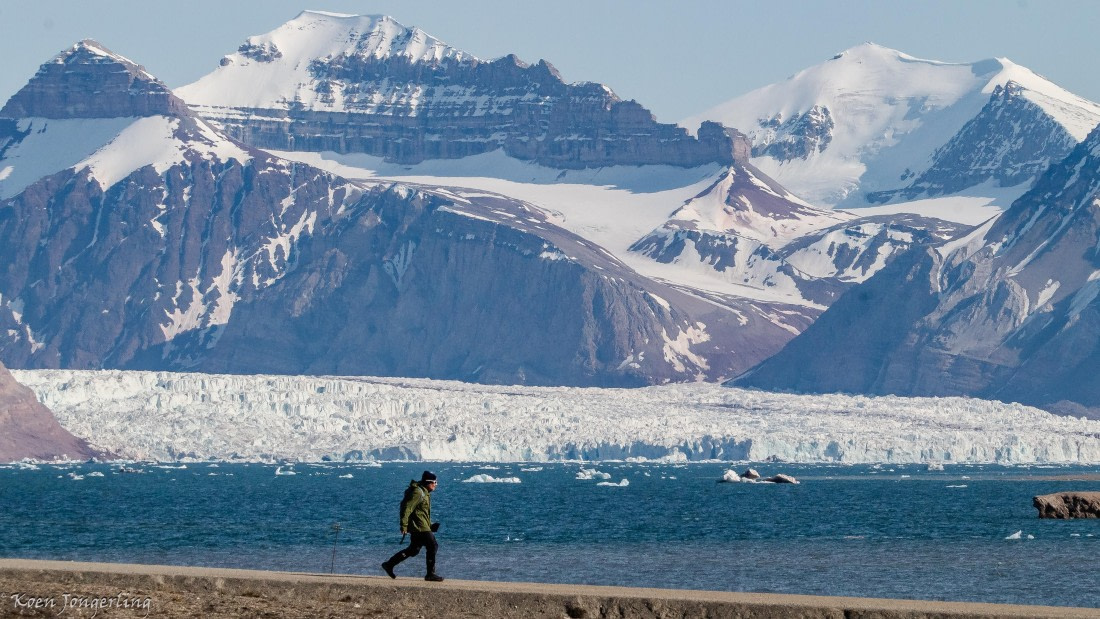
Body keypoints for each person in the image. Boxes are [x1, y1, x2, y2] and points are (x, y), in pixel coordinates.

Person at [381, 470, 444, 581]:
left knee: (413, 550)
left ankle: (389, 564)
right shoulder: (418, 493)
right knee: (433, 545)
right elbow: (407, 508)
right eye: (435, 482)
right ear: (428, 482)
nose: (436, 484)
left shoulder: (425, 493)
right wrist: (404, 525)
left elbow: (421, 512)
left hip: (422, 525)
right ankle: (430, 574)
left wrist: (430, 525)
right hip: (419, 527)